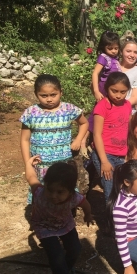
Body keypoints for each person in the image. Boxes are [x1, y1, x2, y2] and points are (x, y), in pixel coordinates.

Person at [24, 156, 93, 274]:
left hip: (64, 224)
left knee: (75, 248)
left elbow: (85, 204)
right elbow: (31, 176)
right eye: (50, 190)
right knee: (56, 255)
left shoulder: (75, 197)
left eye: (60, 192)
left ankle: (65, 269)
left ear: (70, 191)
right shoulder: (38, 192)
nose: (53, 196)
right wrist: (28, 163)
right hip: (43, 226)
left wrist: (88, 215)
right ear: (46, 185)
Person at [20, 74, 88, 202]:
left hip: (63, 165)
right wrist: (27, 163)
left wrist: (78, 139)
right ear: (36, 94)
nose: (49, 99)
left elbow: (84, 123)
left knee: (64, 194)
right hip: (40, 165)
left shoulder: (69, 109)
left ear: (60, 92)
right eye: (44, 96)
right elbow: (24, 140)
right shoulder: (31, 113)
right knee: (42, 194)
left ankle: (65, 218)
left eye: (53, 95)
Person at [91, 72, 132, 209]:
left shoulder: (127, 105)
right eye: (114, 91)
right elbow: (96, 134)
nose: (118, 95)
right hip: (104, 154)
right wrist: (104, 161)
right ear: (107, 88)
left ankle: (119, 220)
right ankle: (111, 226)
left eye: (123, 92)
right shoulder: (102, 106)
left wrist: (127, 154)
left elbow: (128, 130)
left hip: (121, 155)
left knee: (121, 188)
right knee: (110, 190)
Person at [118, 31, 137, 110]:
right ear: (121, 52)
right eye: (128, 51)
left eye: (135, 52)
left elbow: (134, 98)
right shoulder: (113, 65)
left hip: (126, 111)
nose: (132, 55)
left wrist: (116, 108)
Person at [92, 31, 121, 101]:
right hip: (105, 87)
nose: (114, 51)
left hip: (115, 88)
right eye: (110, 48)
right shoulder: (103, 57)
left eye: (116, 48)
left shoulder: (115, 59)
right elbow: (95, 73)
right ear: (103, 47)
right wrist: (96, 91)